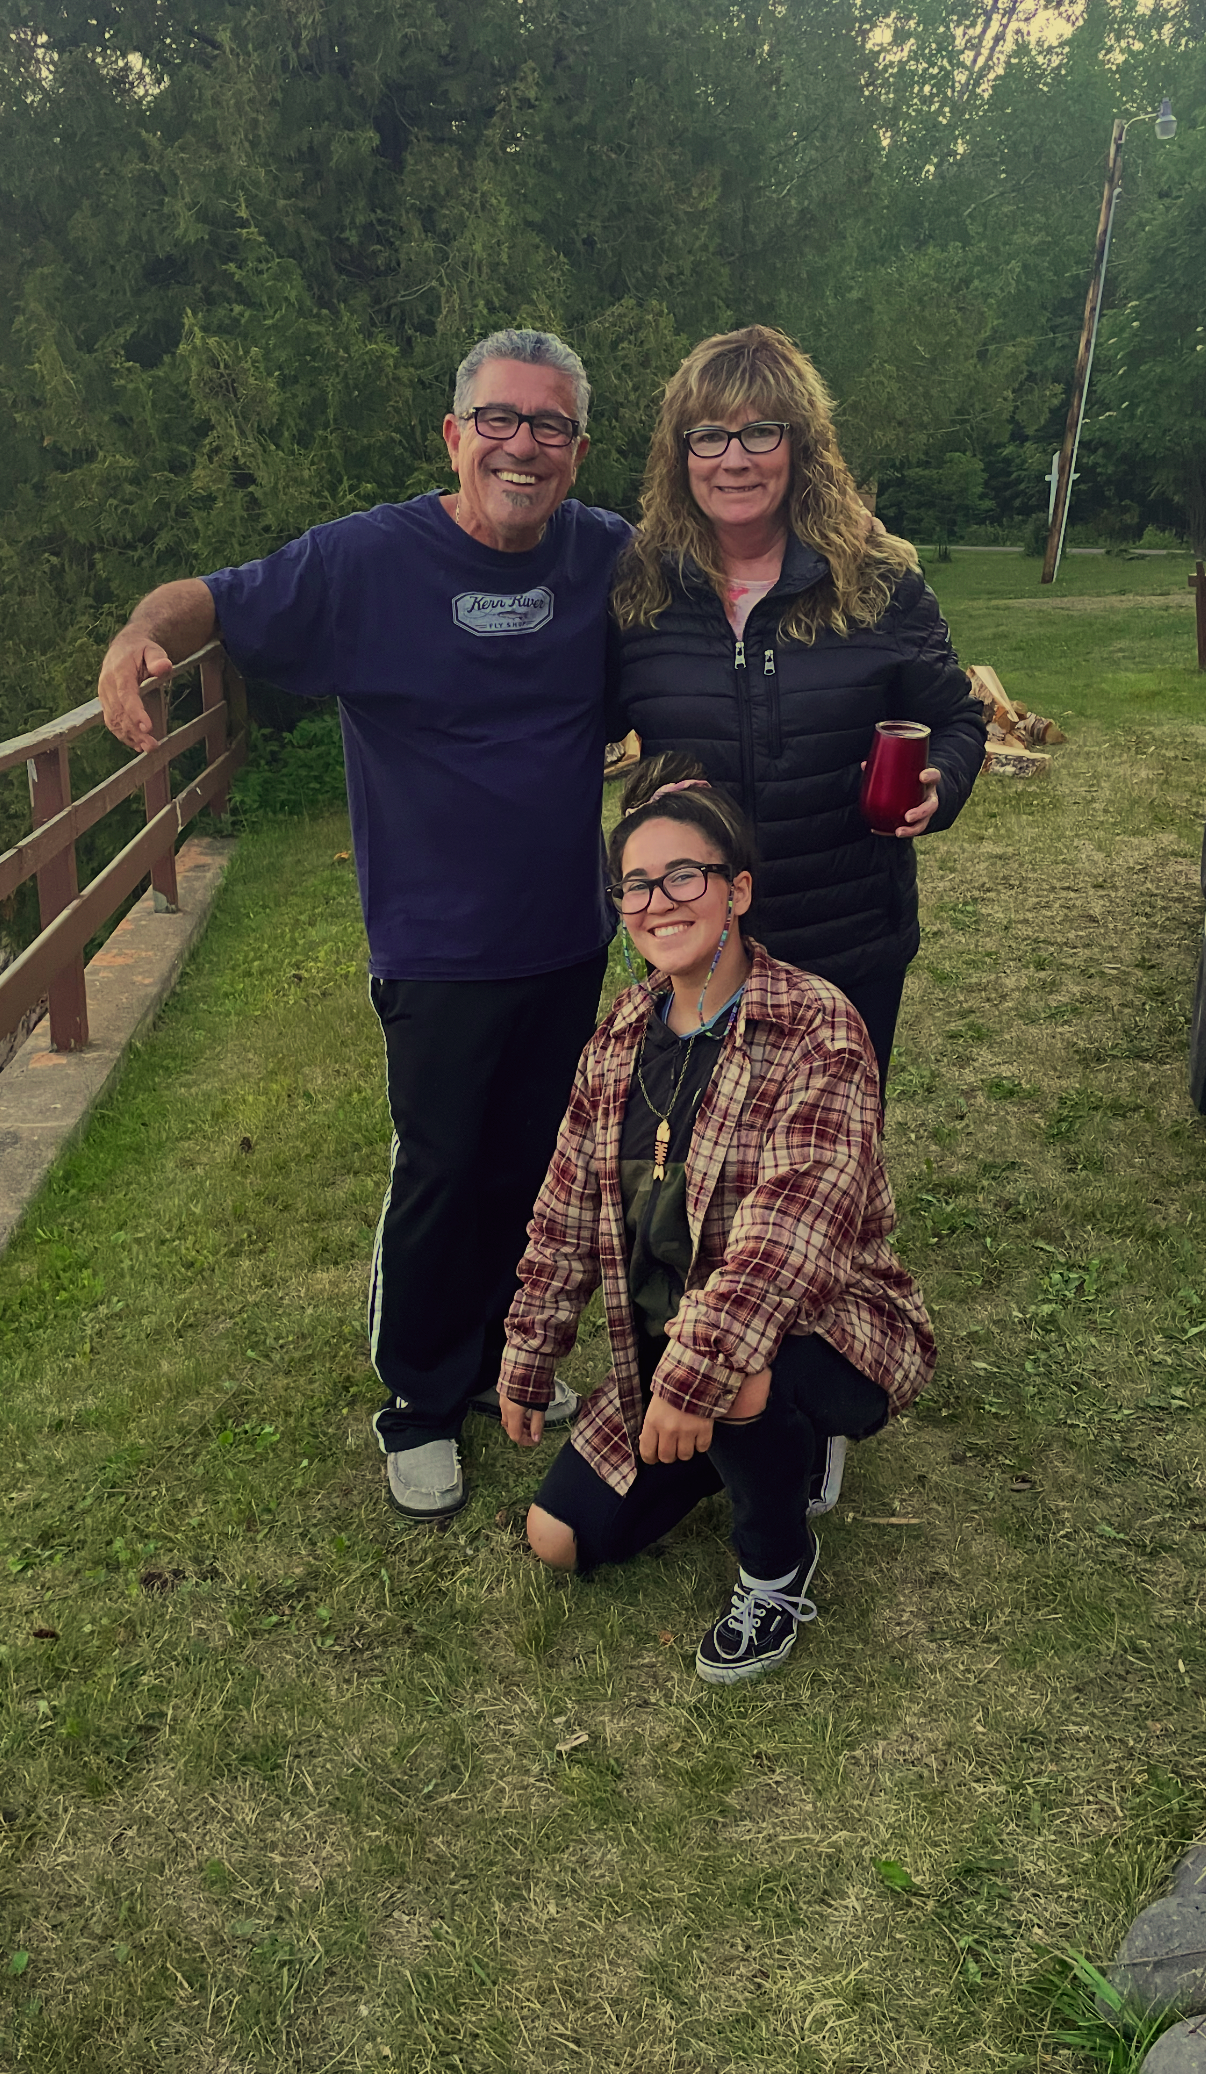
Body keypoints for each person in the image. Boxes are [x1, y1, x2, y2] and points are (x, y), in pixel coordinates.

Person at [97, 328, 633, 1523]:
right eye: (500, 417)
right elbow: (216, 602)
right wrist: (141, 635)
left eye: (550, 425)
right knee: (440, 1168)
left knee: (535, 1163)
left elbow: (718, 602)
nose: (523, 443)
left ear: (578, 452)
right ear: (454, 435)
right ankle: (419, 1401)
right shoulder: (366, 562)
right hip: (434, 944)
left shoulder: (607, 558)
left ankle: (504, 1357)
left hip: (567, 929)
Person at [498, 756, 935, 1683]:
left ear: (737, 890)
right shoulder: (619, 1036)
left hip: (819, 1324)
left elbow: (784, 1250)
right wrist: (530, 1353)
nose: (660, 903)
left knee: (741, 1382)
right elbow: (565, 1208)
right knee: (557, 1539)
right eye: (636, 887)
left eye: (683, 876)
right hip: (666, 1345)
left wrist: (694, 1381)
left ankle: (775, 1567)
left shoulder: (818, 1026)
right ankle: (759, 1445)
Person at [606, 324, 987, 1089]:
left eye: (760, 433)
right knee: (705, 1169)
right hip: (696, 949)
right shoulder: (640, 589)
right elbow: (571, 726)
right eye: (708, 436)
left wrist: (939, 784)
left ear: (801, 446)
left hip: (848, 944)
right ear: (681, 456)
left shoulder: (877, 580)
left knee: (831, 1170)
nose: (734, 458)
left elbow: (958, 718)